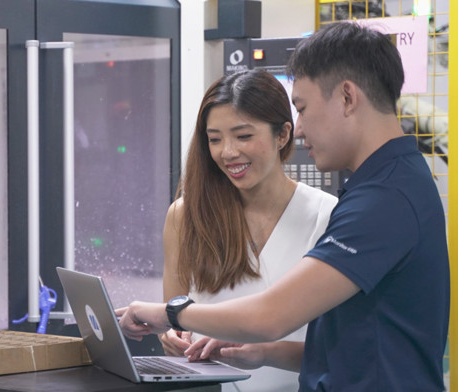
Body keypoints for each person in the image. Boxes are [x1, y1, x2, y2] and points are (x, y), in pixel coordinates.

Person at [116, 21, 450, 391]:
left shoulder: (383, 200)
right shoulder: (384, 184)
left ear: (347, 97)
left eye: (303, 109)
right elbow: (348, 350)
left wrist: (168, 314)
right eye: (215, 139)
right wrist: (263, 353)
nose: (301, 129)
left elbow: (270, 316)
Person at [158, 69, 337, 391]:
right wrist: (170, 336)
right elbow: (175, 313)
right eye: (214, 139)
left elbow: (338, 348)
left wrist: (266, 353)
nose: (227, 152)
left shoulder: (328, 216)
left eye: (243, 136)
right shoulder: (184, 217)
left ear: (282, 135)